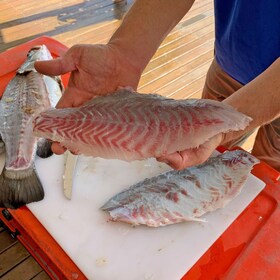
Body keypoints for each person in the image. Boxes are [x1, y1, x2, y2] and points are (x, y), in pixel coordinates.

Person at [35, 0, 280, 171]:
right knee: (206, 151)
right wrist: (125, 52)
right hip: (230, 58)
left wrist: (224, 127)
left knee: (265, 169)